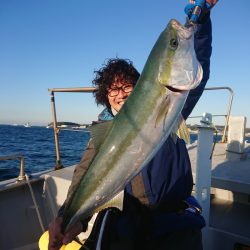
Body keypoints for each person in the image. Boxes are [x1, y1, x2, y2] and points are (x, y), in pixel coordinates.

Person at [48, 1, 218, 249]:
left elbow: (199, 58)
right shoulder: (103, 132)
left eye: (127, 85)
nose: (120, 93)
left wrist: (201, 21)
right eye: (113, 89)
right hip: (135, 223)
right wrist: (70, 218)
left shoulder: (175, 100)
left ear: (139, 85)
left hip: (176, 220)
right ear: (105, 96)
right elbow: (85, 174)